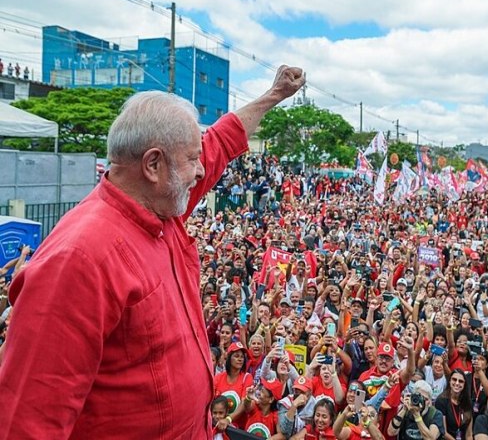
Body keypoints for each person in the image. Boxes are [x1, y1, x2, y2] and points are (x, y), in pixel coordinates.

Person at [0, 65, 305, 439]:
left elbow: (221, 143)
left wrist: (273, 96)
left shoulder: (161, 208)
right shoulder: (79, 260)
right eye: (193, 159)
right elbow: (27, 422)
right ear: (153, 165)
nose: (200, 171)